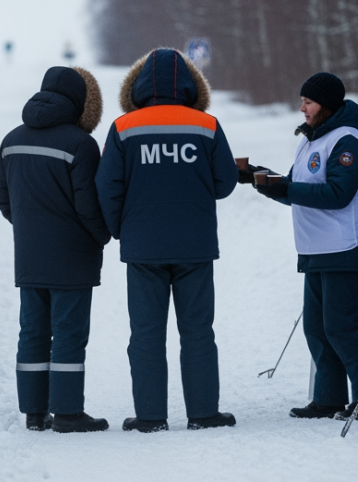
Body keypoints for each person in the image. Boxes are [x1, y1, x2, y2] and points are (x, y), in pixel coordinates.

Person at [96, 48, 238, 433]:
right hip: (195, 246)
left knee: (145, 334)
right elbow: (225, 183)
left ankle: (150, 417)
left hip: (144, 248)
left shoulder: (124, 127)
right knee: (197, 332)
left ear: (139, 86)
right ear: (191, 84)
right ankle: (204, 413)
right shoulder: (206, 125)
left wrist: (121, 229)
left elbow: (107, 187)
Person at [252, 72, 358, 420]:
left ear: (326, 106)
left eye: (308, 103)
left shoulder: (349, 141)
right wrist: (264, 181)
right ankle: (328, 398)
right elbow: (298, 192)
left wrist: (286, 187)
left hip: (345, 247)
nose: (302, 109)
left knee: (341, 325)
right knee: (316, 327)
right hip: (315, 249)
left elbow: (337, 195)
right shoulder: (310, 141)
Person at [0, 66, 111, 433]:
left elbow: (2, 199)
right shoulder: (80, 144)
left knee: (32, 331)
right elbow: (88, 206)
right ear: (79, 102)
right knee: (69, 333)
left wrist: (31, 228)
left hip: (29, 256)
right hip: (73, 257)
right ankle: (68, 413)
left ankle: (34, 412)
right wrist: (102, 236)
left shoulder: (11, 139)